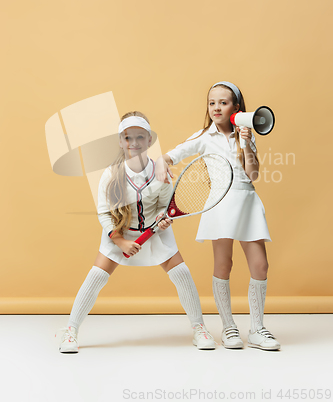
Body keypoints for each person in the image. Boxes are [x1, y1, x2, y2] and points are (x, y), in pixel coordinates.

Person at [57, 111, 215, 353]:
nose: (134, 143)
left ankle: (199, 328)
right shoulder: (110, 175)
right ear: (121, 141)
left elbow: (164, 205)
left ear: (149, 140)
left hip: (156, 233)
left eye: (140, 137)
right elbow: (103, 213)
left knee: (182, 273)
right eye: (128, 138)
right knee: (96, 277)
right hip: (118, 234)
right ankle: (70, 331)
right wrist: (120, 242)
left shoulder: (161, 172)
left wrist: (163, 219)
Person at [156, 82, 280, 351]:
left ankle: (257, 329)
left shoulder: (245, 134)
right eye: (212, 102)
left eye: (223, 103)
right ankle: (229, 328)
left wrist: (246, 142)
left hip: (246, 201)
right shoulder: (203, 137)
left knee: (260, 266)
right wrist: (162, 162)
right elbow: (173, 154)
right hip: (219, 204)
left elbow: (254, 174)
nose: (216, 108)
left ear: (236, 107)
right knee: (223, 266)